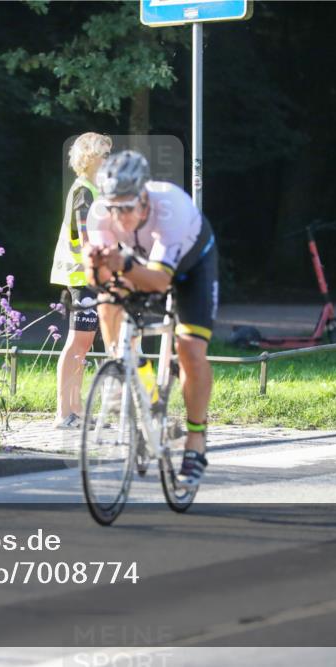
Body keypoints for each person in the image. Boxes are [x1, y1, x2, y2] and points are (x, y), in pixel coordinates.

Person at [85, 150, 218, 487]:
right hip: (140, 260)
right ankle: (125, 368)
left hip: (190, 266)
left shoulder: (170, 207)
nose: (120, 217)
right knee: (108, 299)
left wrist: (122, 265)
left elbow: (160, 281)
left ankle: (196, 441)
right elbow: (100, 280)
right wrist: (94, 265)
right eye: (113, 208)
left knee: (189, 349)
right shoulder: (100, 214)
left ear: (144, 198)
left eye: (127, 208)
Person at [49, 132, 113, 429]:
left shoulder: (91, 189)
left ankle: (74, 411)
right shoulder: (84, 190)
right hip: (83, 275)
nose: (108, 159)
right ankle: (65, 413)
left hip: (88, 274)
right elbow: (85, 237)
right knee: (78, 343)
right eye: (104, 154)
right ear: (89, 157)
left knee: (82, 345)